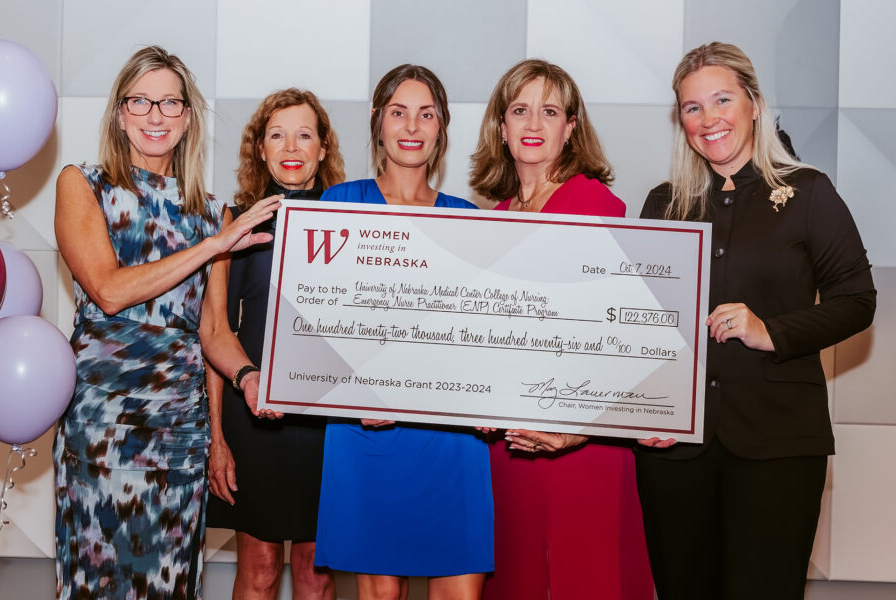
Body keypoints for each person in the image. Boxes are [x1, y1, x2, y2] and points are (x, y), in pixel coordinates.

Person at [634, 42, 876, 599]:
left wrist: (773, 331)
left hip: (778, 445)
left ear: (754, 104)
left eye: (722, 99)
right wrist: (643, 408)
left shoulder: (809, 192)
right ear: (681, 120)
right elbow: (644, 326)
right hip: (675, 450)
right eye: (692, 107)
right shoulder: (663, 203)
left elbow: (857, 299)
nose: (709, 118)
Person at [53, 46, 280, 599]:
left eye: (170, 103)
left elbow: (214, 333)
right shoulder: (83, 185)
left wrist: (251, 378)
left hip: (179, 433)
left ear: (186, 117)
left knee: (170, 583)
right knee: (96, 584)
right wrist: (212, 248)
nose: (155, 115)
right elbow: (108, 290)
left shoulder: (211, 213)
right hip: (101, 427)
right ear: (120, 112)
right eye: (141, 101)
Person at [468, 59, 654, 600]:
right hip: (510, 447)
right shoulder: (493, 218)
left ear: (570, 127)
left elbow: (629, 339)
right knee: (517, 578)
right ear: (501, 127)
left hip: (582, 444)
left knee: (585, 578)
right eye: (520, 109)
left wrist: (579, 427)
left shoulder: (596, 205)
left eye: (549, 111)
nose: (533, 123)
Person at [313, 64, 493, 600]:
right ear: (377, 120)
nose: (411, 126)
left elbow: (482, 339)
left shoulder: (470, 220)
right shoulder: (338, 205)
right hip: (366, 433)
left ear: (441, 127)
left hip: (451, 440)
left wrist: (490, 399)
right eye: (398, 112)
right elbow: (313, 331)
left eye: (426, 114)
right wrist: (351, 397)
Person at [199, 89, 345, 600]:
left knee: (315, 573)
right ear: (259, 148)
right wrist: (217, 438)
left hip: (328, 423)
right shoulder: (236, 222)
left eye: (304, 134)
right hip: (253, 410)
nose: (291, 146)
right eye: (277, 134)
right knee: (258, 571)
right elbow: (216, 333)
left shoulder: (352, 224)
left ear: (323, 148)